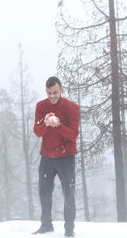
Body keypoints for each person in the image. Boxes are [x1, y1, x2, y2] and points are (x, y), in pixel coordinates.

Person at [33, 76, 80, 237]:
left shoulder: (72, 107)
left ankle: (69, 230)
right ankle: (46, 225)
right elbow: (37, 131)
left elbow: (73, 134)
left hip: (66, 157)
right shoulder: (41, 106)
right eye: (49, 93)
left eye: (55, 92)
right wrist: (45, 123)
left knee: (69, 193)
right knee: (44, 192)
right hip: (47, 157)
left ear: (61, 90)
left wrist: (59, 125)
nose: (52, 96)